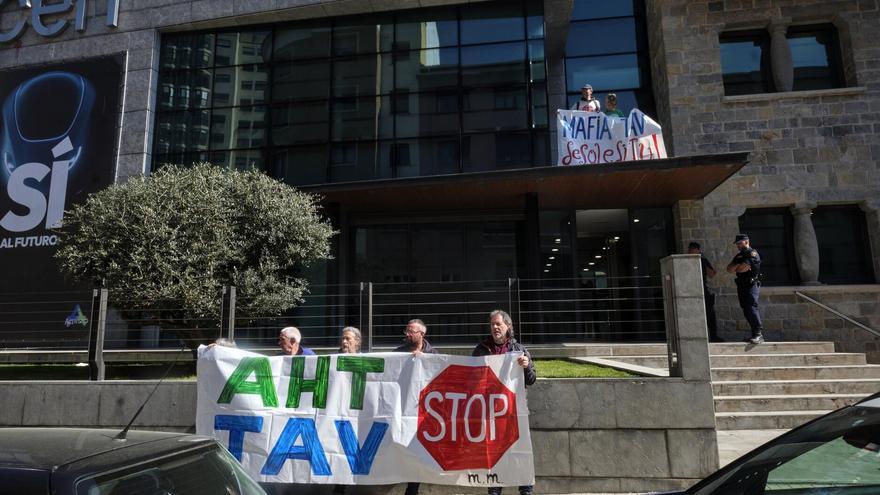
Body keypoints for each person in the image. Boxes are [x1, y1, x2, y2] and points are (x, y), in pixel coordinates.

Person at [471, 310, 536, 495]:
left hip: (514, 413)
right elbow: (470, 377)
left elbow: (531, 380)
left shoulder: (519, 350)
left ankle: (526, 491)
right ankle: (494, 491)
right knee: (495, 455)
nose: (495, 327)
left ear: (508, 326)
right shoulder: (481, 349)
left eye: (498, 324)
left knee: (520, 452)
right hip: (491, 414)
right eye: (492, 324)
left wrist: (526, 367)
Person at [394, 319, 437, 495]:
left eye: (411, 331)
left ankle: (412, 488)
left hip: (423, 411)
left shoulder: (433, 354)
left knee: (418, 451)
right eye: (407, 330)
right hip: (401, 409)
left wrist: (424, 362)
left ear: (422, 334)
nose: (407, 334)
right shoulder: (396, 354)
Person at [726, 234, 764, 344]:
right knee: (746, 309)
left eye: (739, 243)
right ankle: (754, 334)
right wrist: (739, 265)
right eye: (737, 244)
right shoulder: (739, 256)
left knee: (752, 307)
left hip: (752, 284)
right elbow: (729, 269)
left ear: (746, 241)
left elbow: (741, 269)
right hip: (742, 285)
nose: (737, 245)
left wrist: (737, 267)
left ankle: (758, 334)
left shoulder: (753, 254)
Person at [688, 242, 722, 342]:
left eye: (694, 249)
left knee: (710, 313)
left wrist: (700, 261)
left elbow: (712, 274)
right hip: (689, 290)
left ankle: (714, 336)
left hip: (703, 289)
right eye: (691, 249)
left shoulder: (703, 261)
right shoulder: (685, 260)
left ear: (698, 250)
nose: (692, 251)